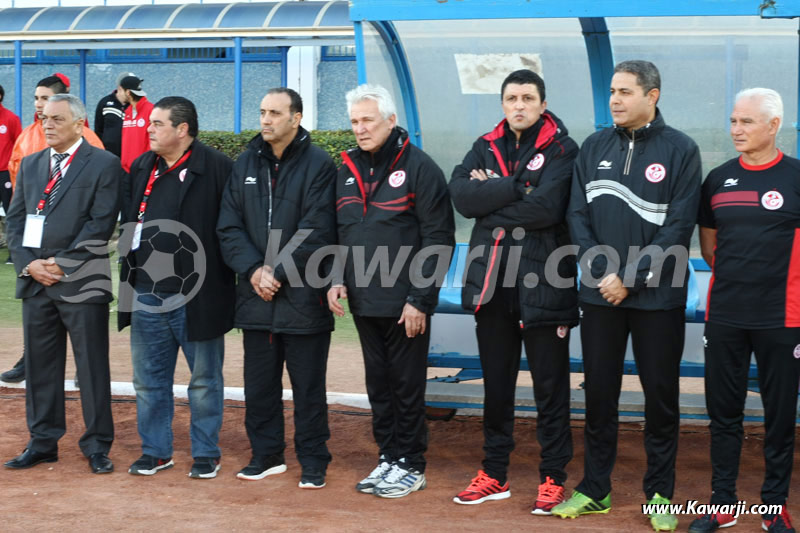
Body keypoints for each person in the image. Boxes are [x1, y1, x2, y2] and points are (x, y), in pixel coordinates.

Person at [553, 60, 702, 531]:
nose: (614, 99)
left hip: (658, 298)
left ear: (652, 95)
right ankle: (594, 489)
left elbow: (679, 226)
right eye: (612, 91)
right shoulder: (594, 146)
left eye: (625, 92)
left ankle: (660, 495)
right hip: (601, 296)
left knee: (660, 398)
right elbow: (576, 216)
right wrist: (603, 275)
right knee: (599, 394)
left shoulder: (681, 149)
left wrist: (631, 278)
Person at [448, 69, 578, 513]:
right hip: (492, 285)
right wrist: (513, 188)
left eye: (527, 98)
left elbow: (547, 208)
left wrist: (492, 198)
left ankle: (553, 477)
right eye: (510, 98)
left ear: (542, 103)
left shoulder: (563, 147)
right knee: (497, 387)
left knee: (550, 389)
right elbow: (463, 198)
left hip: (546, 283)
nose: (518, 105)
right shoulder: (484, 144)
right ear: (502, 104)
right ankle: (494, 473)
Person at [327, 84, 455, 499]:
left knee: (406, 386)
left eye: (368, 120)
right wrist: (337, 277)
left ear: (391, 121)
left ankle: (412, 465)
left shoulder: (420, 167)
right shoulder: (346, 168)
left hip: (405, 304)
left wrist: (420, 298)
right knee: (378, 385)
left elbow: (438, 238)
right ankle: (389, 457)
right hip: (365, 300)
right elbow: (342, 231)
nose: (360, 129)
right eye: (354, 122)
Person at [689, 88, 798, 533]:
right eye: (734, 121)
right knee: (724, 413)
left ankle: (774, 507)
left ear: (773, 126)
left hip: (783, 318)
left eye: (747, 122)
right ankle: (722, 502)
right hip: (726, 315)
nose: (737, 130)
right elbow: (710, 246)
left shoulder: (796, 177)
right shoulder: (718, 179)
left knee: (779, 416)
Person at [217, 88, 337, 488]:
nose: (265, 119)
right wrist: (254, 270)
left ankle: (314, 460)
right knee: (260, 386)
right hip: (256, 297)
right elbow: (228, 225)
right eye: (262, 111)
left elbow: (319, 229)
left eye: (274, 113)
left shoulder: (320, 164)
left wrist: (279, 271)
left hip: (304, 297)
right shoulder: (245, 162)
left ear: (296, 118)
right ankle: (266, 455)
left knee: (308, 388)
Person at [3, 93, 121, 474]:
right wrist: (31, 265)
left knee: (91, 367)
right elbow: (17, 221)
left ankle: (97, 445)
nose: (47, 125)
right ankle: (42, 442)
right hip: (36, 283)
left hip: (82, 282)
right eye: (43, 119)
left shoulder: (104, 164)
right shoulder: (34, 164)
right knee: (40, 368)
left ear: (79, 124)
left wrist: (61, 263)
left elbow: (101, 223)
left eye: (55, 119)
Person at [118, 96, 234, 479]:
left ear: (182, 130)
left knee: (203, 381)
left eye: (157, 124)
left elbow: (231, 228)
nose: (148, 129)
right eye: (149, 123)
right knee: (149, 381)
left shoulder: (217, 168)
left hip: (197, 295)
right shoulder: (141, 166)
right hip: (146, 292)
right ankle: (156, 450)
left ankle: (206, 452)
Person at [0, 74, 103, 384]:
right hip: (36, 243)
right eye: (36, 99)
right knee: (41, 326)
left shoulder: (89, 141)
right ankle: (29, 360)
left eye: (44, 98)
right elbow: (19, 185)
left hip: (74, 255)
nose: (39, 105)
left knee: (81, 331)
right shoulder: (28, 135)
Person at [0, 83, 22, 264]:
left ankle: (14, 252)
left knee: (11, 212)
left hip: (5, 173)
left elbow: (19, 145)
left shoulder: (11, 119)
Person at [119, 75, 154, 173]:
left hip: (144, 169)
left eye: (121, 90)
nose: (119, 94)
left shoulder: (151, 110)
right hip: (126, 171)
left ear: (128, 93)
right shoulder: (128, 112)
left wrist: (147, 166)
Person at [94, 72, 134, 158]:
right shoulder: (104, 103)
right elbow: (98, 130)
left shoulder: (137, 105)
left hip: (132, 157)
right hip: (108, 157)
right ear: (120, 88)